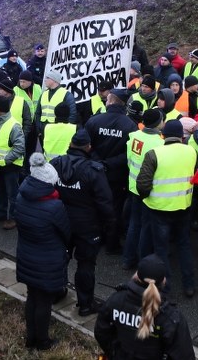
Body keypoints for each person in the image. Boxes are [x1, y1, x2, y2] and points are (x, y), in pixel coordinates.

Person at [50, 130, 114, 316]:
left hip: (60, 221)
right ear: (88, 147)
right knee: (86, 264)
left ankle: (55, 292)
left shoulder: (56, 164)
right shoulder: (94, 170)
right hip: (87, 226)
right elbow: (105, 202)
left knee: (59, 258)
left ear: (70, 143)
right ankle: (85, 304)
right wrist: (110, 227)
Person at [15, 153, 71, 351]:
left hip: (26, 255)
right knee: (44, 302)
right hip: (47, 261)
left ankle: (31, 338)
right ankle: (43, 342)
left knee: (32, 297)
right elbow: (66, 232)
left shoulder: (21, 196)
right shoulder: (54, 206)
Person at [137, 120, 198, 296]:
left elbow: (143, 184)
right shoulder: (191, 152)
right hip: (183, 207)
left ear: (162, 135)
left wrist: (147, 198)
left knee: (161, 249)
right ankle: (189, 285)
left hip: (159, 209)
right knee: (184, 246)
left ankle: (165, 287)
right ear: (182, 136)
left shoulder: (154, 154)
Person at [94, 254, 195, 360]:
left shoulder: (116, 301)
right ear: (163, 281)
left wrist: (115, 353)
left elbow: (101, 332)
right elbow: (184, 355)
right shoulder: (170, 317)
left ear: (136, 275)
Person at [86, 91, 137, 254]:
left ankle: (97, 237)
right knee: (115, 208)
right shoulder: (130, 125)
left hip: (95, 171)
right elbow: (130, 154)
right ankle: (112, 243)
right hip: (117, 175)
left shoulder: (94, 121)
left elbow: (86, 146)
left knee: (95, 204)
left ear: (110, 102)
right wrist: (109, 163)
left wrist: (98, 161)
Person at [123, 109, 165, 271]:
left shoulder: (134, 136)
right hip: (148, 190)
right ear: (157, 123)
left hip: (133, 186)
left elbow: (129, 161)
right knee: (145, 227)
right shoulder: (159, 144)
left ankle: (128, 259)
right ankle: (142, 262)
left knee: (134, 224)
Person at [0, 96, 26, 230]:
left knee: (12, 193)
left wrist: (5, 160)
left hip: (10, 165)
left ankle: (13, 218)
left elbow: (19, 148)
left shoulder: (14, 125)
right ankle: (1, 212)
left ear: (0, 110)